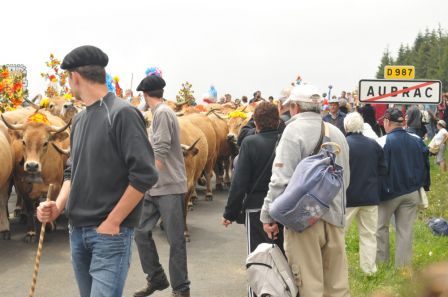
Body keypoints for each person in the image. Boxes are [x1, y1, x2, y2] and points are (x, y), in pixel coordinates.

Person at [36, 45, 158, 297]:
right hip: (77, 231)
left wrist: (113, 221)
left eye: (68, 78)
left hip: (109, 235)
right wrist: (57, 206)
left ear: (75, 77)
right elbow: (72, 171)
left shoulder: (123, 113)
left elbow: (145, 174)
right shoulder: (79, 119)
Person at [260, 84, 351, 297]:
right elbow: (345, 180)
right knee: (337, 286)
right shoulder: (337, 132)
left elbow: (280, 181)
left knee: (309, 285)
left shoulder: (293, 131)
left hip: (304, 222)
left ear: (294, 107)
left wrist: (267, 215)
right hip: (335, 217)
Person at [133, 75, 190, 297]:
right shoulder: (157, 114)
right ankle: (157, 278)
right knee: (140, 232)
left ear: (145, 95)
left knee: (175, 240)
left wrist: (148, 176)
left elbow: (161, 148)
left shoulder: (163, 113)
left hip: (168, 187)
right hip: (154, 187)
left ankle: (181, 289)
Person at [222, 102, 283, 297]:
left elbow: (239, 182)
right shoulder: (285, 141)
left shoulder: (250, 143)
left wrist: (230, 213)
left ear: (255, 123)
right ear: (277, 121)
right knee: (281, 257)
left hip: (256, 208)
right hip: (282, 208)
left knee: (257, 258)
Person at [376, 108, 430, 268]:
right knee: (405, 231)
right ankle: (404, 268)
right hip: (412, 190)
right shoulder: (417, 139)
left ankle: (382, 265)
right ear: (403, 122)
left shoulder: (381, 141)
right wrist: (424, 186)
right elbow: (425, 164)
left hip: (388, 193)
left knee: (380, 228)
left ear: (386, 122)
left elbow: (378, 169)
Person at [344, 112, 386, 275]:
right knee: (369, 235)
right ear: (361, 126)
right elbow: (383, 170)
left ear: (346, 126)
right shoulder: (373, 144)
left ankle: (340, 269)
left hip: (348, 198)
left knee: (339, 236)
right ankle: (369, 269)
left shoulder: (343, 144)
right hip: (370, 197)